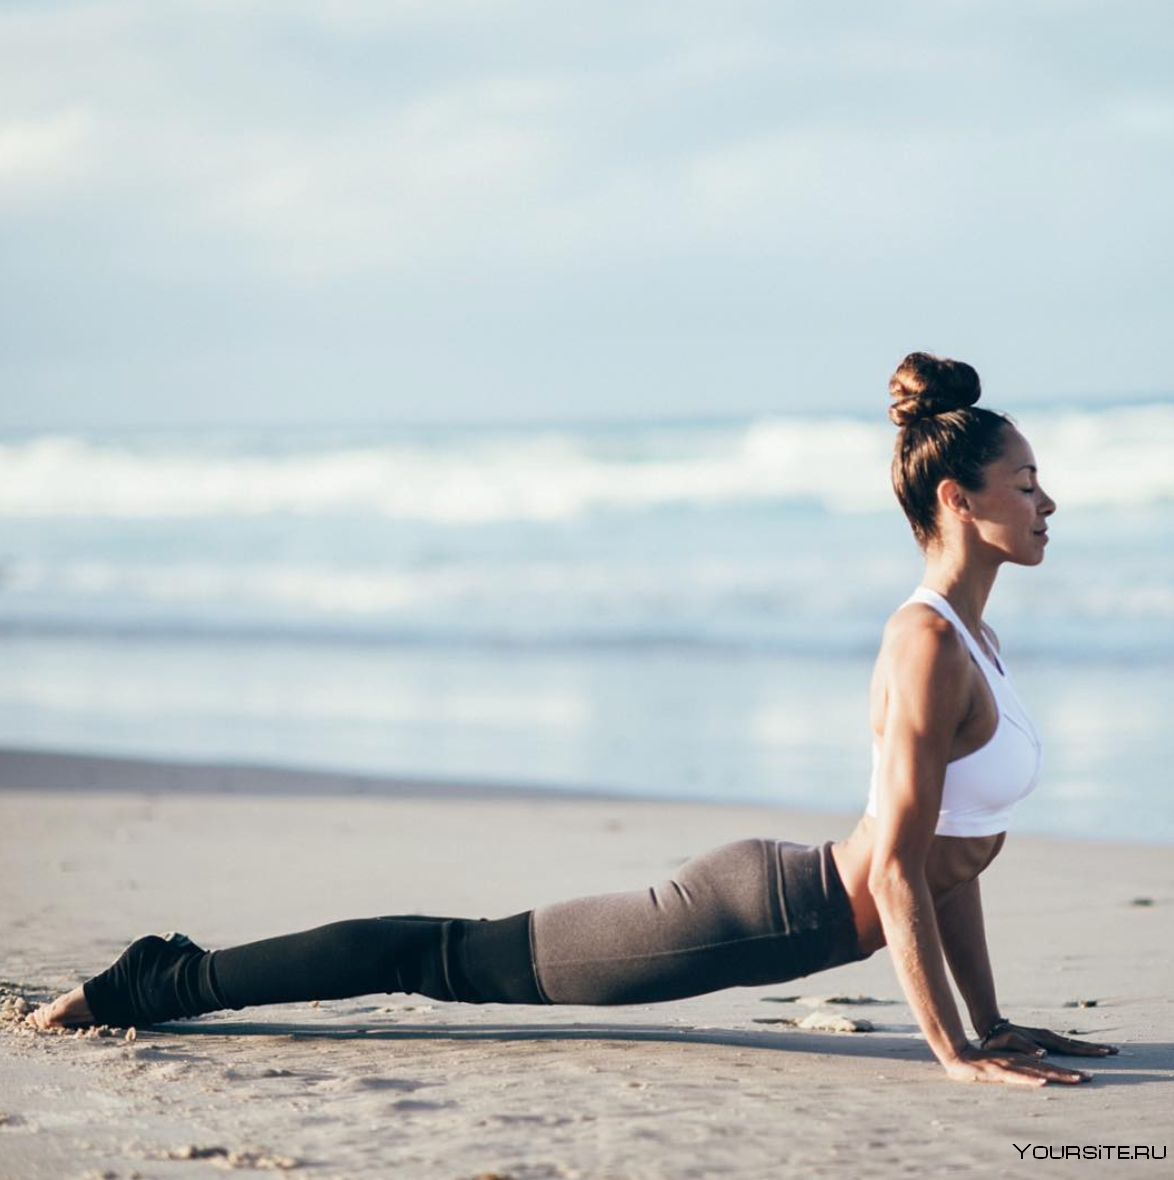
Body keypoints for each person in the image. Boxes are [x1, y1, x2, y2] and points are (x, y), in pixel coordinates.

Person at [28, 352, 1118, 1086]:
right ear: (957, 501)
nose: (1046, 501)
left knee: (445, 950)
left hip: (787, 903)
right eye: (1025, 481)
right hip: (758, 912)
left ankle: (165, 972)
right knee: (445, 956)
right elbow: (893, 871)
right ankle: (158, 979)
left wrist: (990, 1021)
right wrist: (953, 1054)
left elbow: (948, 862)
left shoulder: (974, 638)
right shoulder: (925, 642)